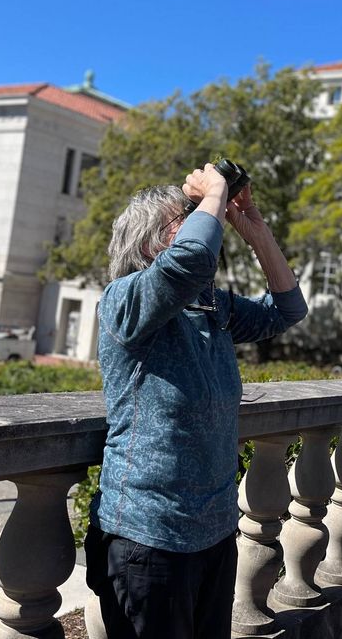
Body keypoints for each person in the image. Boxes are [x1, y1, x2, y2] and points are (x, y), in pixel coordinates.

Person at [84, 164, 307, 638]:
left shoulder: (212, 309)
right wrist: (214, 193)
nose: (204, 221)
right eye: (182, 219)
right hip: (149, 536)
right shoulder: (124, 300)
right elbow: (189, 262)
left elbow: (288, 309)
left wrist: (255, 230)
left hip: (214, 532)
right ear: (149, 245)